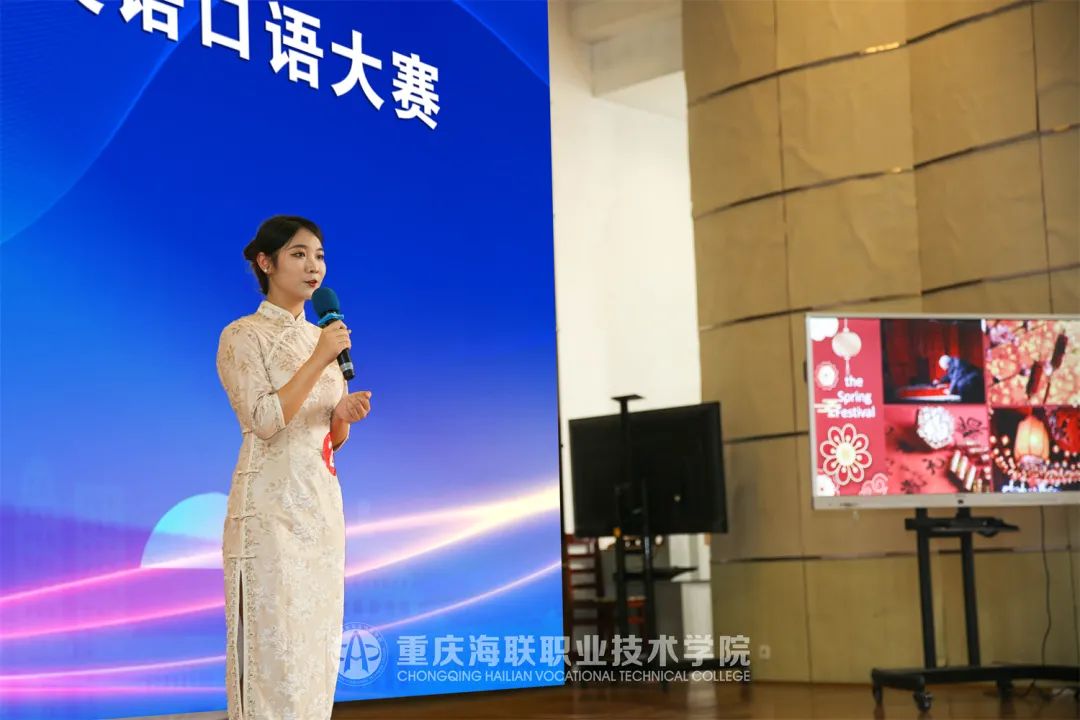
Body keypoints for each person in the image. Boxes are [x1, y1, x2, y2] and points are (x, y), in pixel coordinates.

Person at [216, 215, 372, 719]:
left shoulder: (324, 336)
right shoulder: (243, 335)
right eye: (299, 254)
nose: (313, 267)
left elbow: (328, 437)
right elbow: (263, 420)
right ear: (266, 262)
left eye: (319, 256)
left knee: (314, 647)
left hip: (319, 508)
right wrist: (319, 357)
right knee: (273, 649)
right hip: (269, 513)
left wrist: (342, 415)